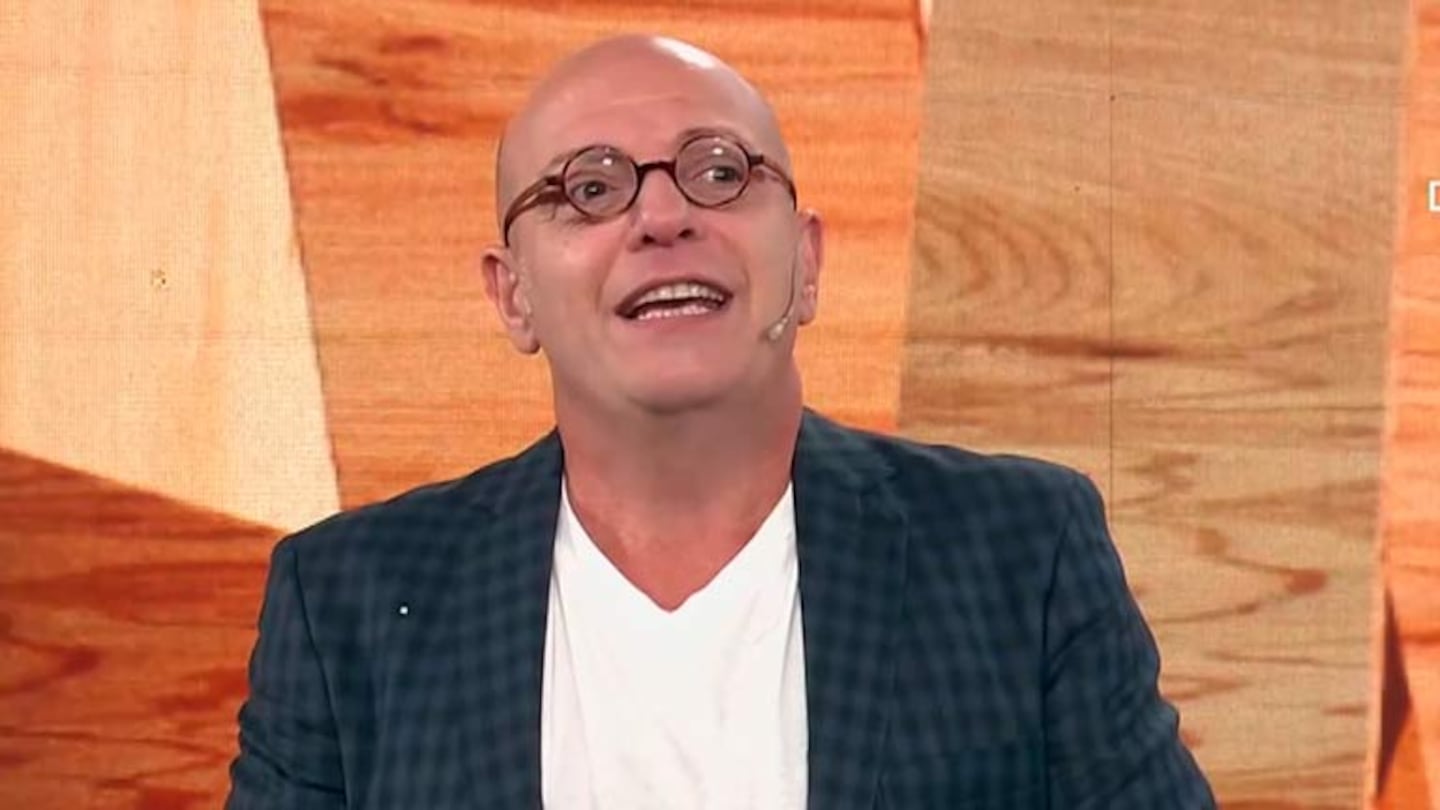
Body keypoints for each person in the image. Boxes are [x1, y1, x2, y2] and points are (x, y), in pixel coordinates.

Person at [226, 33, 1215, 809]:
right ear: (512, 295)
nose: (664, 218)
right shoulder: (350, 602)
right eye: (590, 189)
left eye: (719, 172)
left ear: (807, 263)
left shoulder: (1019, 553)